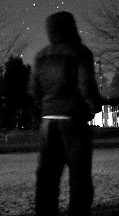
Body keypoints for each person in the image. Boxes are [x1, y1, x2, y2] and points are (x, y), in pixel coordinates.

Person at [31, 11, 102, 216]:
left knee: (46, 176)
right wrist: (94, 105)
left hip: (47, 121)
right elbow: (86, 84)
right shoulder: (79, 52)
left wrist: (42, 109)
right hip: (73, 119)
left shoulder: (40, 56)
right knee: (79, 175)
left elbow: (33, 90)